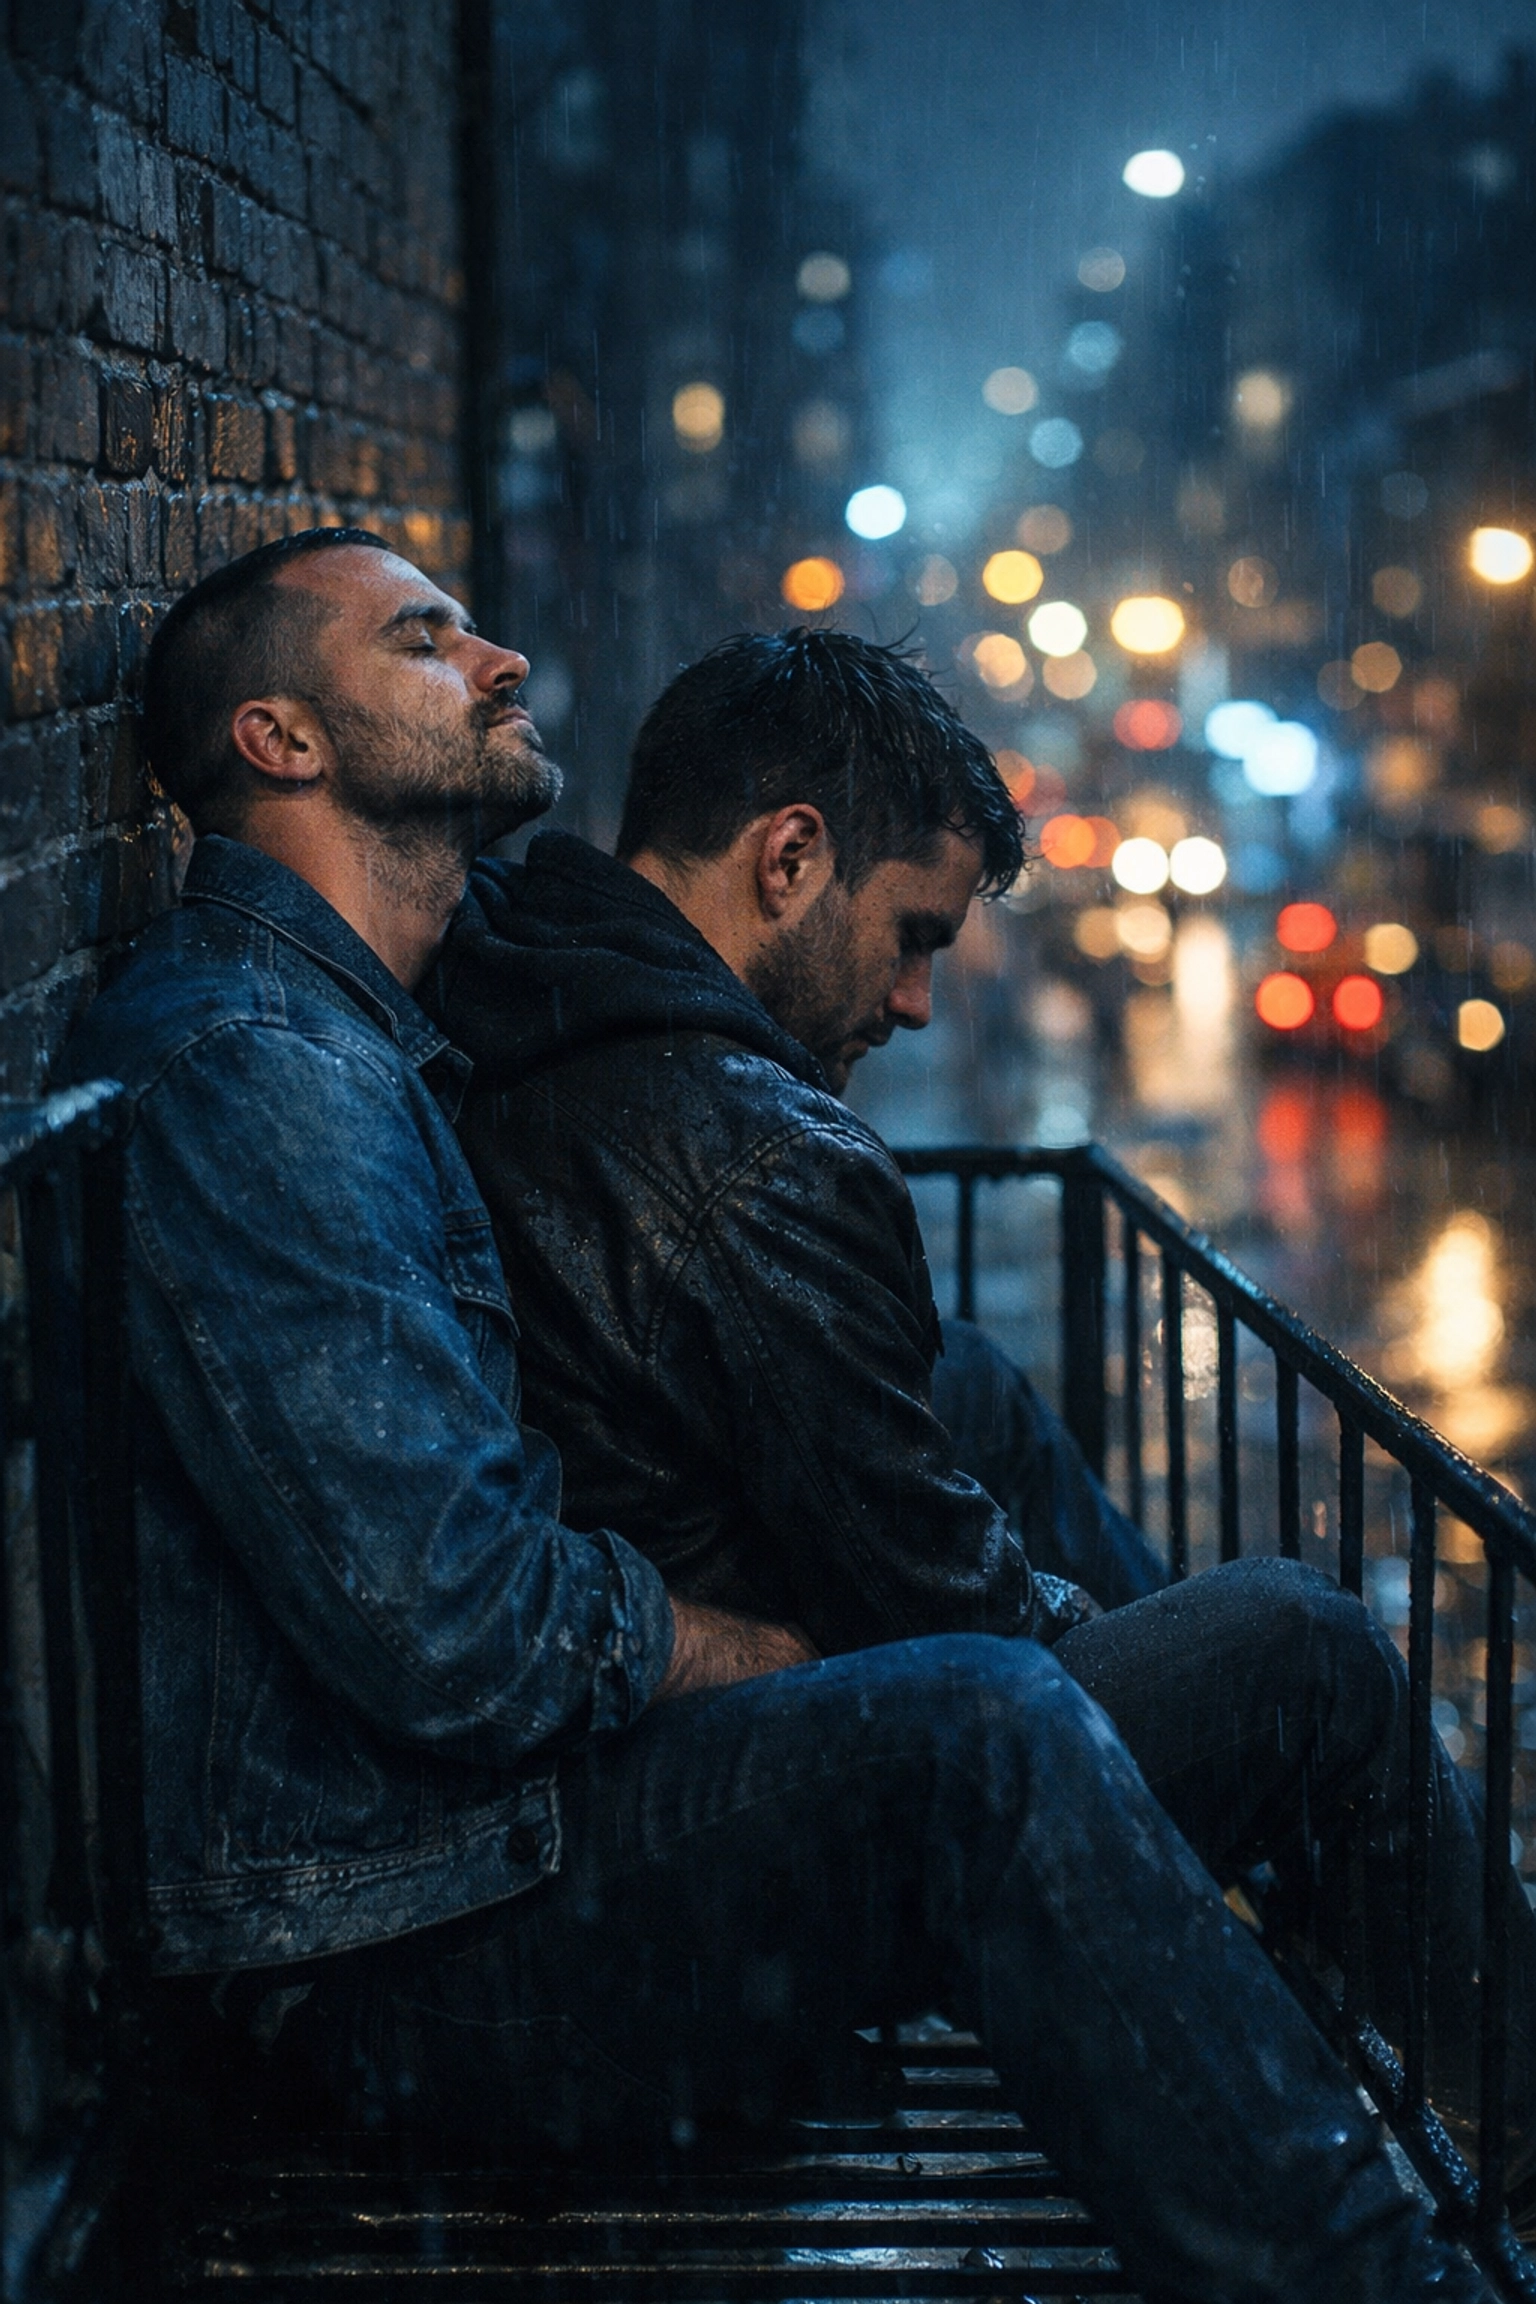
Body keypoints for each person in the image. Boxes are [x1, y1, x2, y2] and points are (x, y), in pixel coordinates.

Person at [59, 532, 1508, 2303]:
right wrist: (776, 1644)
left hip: (469, 1854)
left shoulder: (401, 1002)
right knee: (1019, 1711)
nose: (501, 655)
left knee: (1109, 1614)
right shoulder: (265, 1069)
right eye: (426, 639)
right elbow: (447, 1626)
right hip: (401, 1950)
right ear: (283, 738)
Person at [432, 629, 1163, 1641]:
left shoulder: (520, 956)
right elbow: (948, 1604)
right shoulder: (768, 1156)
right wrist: (1127, 1646)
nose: (916, 1003)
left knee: (976, 1382)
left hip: (638, 1526)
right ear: (789, 858)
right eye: (912, 937)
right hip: (745, 1660)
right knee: (1304, 1642)